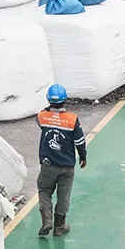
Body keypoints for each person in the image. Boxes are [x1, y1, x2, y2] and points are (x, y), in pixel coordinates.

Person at [36, 84, 87, 238]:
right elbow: (79, 141)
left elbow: (41, 121)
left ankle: (47, 220)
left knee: (45, 191)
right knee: (63, 196)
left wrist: (51, 112)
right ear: (65, 100)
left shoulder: (42, 117)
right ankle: (59, 227)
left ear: (48, 99)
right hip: (67, 165)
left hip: (48, 164)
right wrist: (83, 156)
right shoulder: (72, 119)